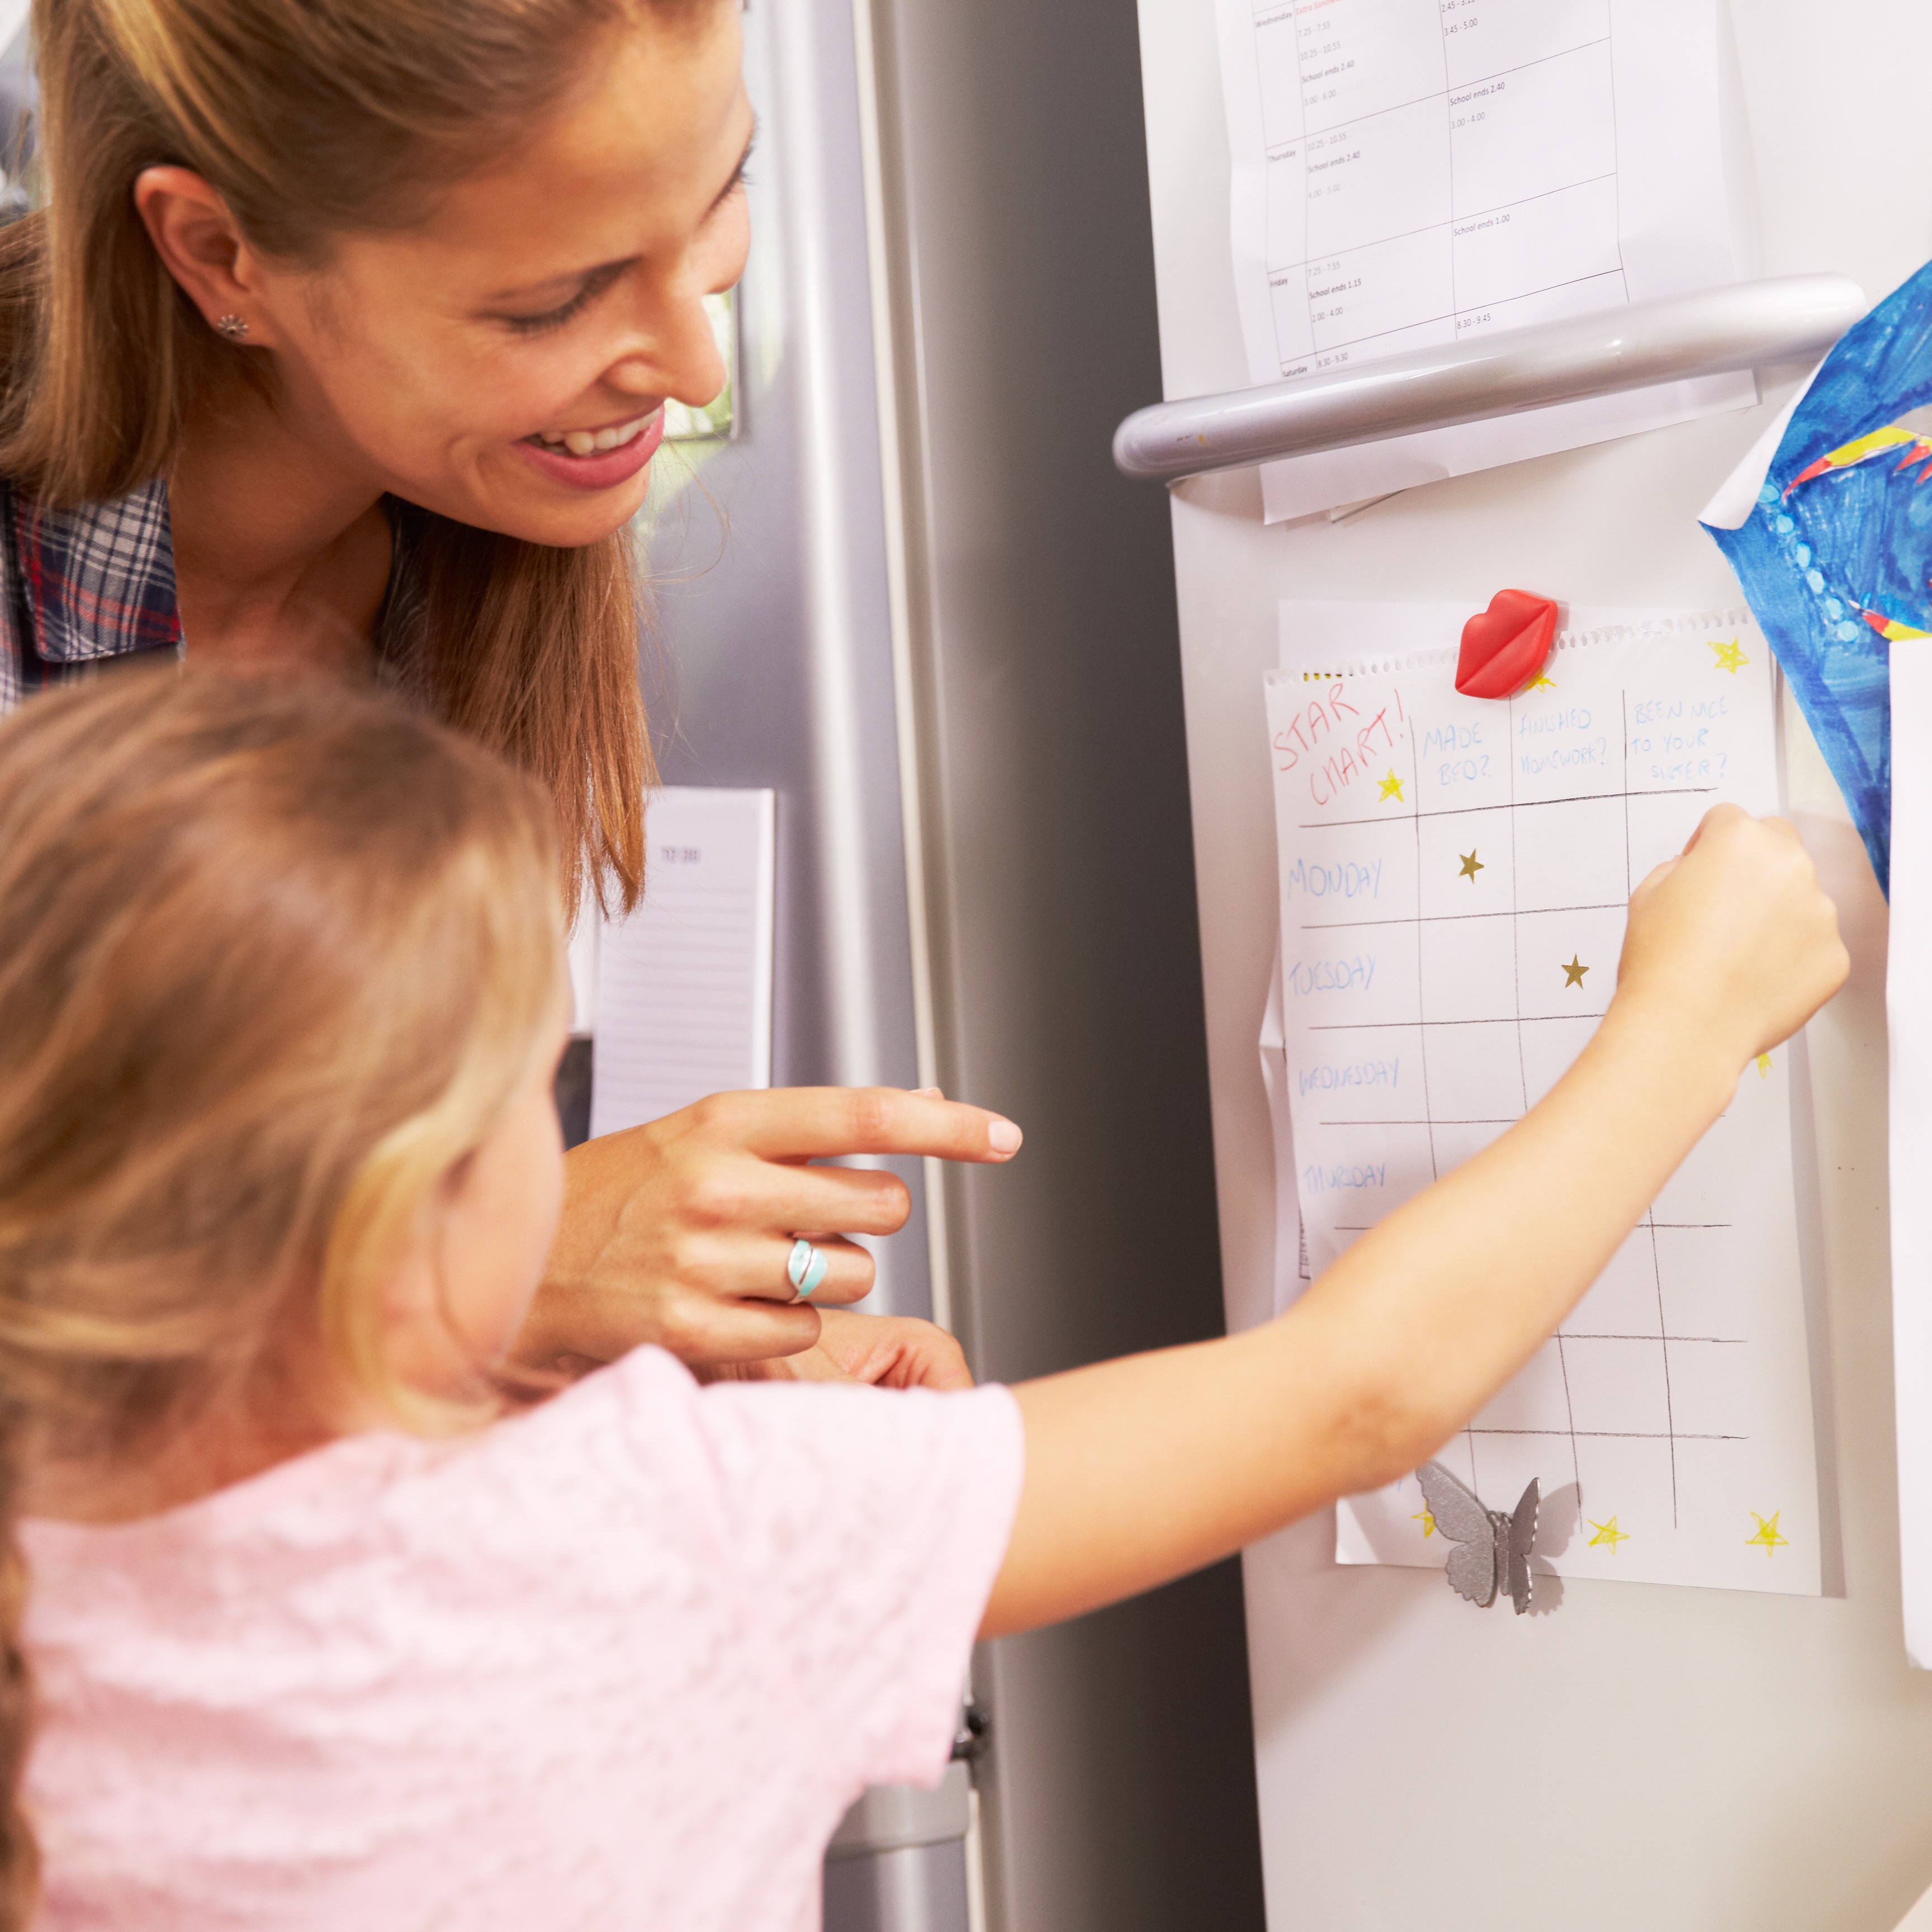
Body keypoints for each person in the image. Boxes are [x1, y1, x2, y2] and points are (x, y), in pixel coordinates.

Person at [0, 666, 1846, 1927]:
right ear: (411, 1213)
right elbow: (1352, 1394)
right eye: (537, 1090)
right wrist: (1687, 1020)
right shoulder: (672, 1539)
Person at [0, 0, 1005, 1379]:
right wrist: (489, 1293)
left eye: (722, 197)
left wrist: (622, 1373)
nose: (697, 365)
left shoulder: (464, 541)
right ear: (221, 253)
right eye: (554, 300)